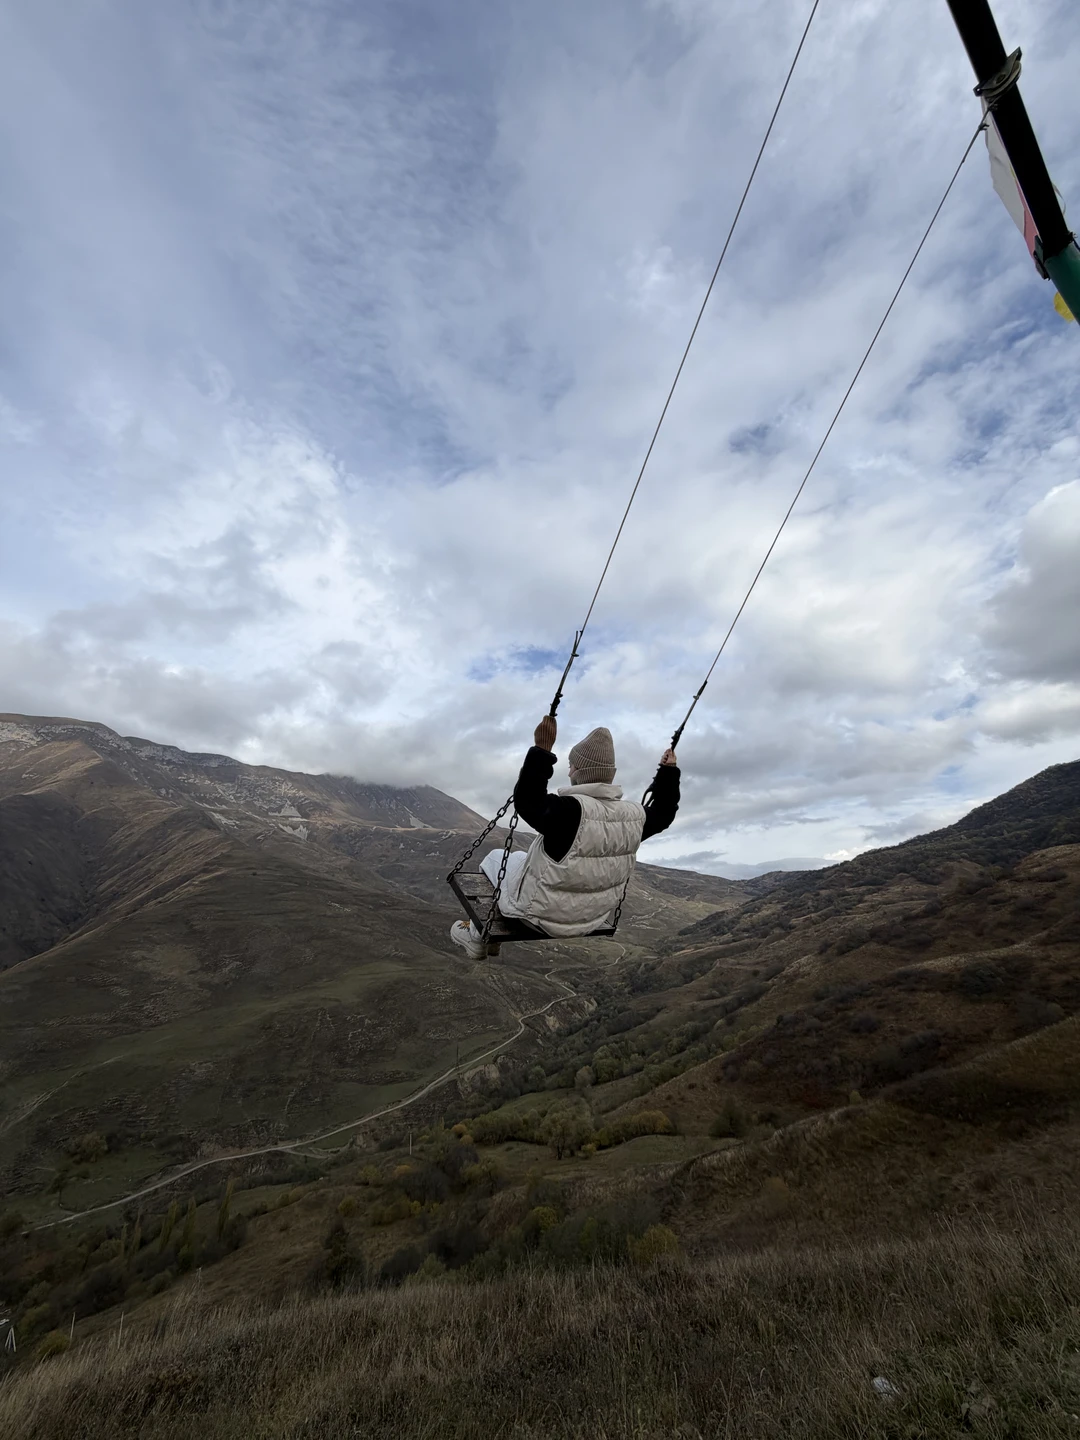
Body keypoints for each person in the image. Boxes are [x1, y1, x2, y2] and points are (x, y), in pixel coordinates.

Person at [450, 716, 680, 959]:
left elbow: (528, 801)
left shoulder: (570, 811)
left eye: (571, 765)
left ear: (580, 771)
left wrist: (542, 749)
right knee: (520, 858)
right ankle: (491, 942)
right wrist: (669, 772)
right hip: (592, 918)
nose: (569, 770)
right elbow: (664, 813)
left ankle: (476, 936)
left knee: (496, 857)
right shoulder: (635, 817)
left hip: (540, 917)